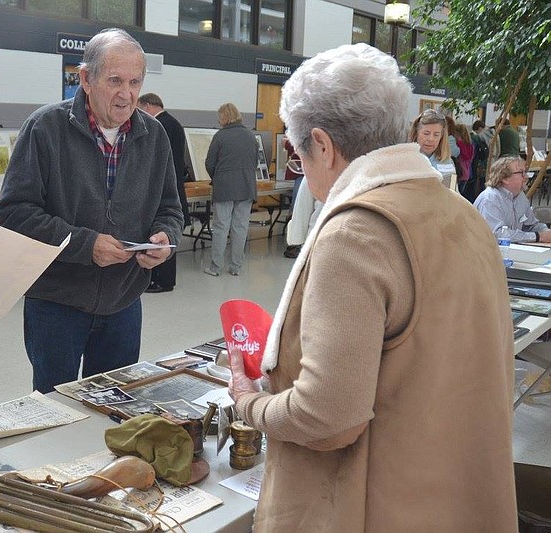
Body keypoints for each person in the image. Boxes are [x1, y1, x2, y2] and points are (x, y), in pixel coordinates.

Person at [228, 43, 517, 532]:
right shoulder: (460, 213)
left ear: (322, 144)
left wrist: (248, 401)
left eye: (300, 153)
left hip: (378, 506)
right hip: (456, 497)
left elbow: (330, 418)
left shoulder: (355, 234)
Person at [0, 28, 184, 394]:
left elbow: (170, 209)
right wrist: (86, 245)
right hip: (57, 303)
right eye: (115, 80)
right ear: (85, 78)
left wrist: (165, 237)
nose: (127, 94)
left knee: (116, 406)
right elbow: (16, 212)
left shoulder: (155, 136)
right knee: (54, 411)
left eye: (134, 81)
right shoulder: (45, 129)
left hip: (124, 303)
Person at [137, 92, 189, 293]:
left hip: (164, 184)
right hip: (175, 182)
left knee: (163, 237)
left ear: (149, 106)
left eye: (141, 109)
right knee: (166, 235)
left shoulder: (160, 126)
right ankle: (163, 279)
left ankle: (163, 280)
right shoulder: (174, 123)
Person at [203, 102, 257, 276]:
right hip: (247, 186)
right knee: (240, 227)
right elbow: (255, 163)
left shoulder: (220, 136)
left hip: (224, 188)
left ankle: (215, 267)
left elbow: (209, 163)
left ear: (224, 117)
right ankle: (235, 267)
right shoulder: (250, 136)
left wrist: (218, 177)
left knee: (221, 227)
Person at [474, 156, 551, 243]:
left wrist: (546, 232)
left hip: (512, 251)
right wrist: (538, 236)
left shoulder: (520, 196)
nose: (526, 177)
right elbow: (497, 235)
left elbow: (530, 225)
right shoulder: (489, 199)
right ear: (504, 178)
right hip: (488, 253)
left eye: (525, 172)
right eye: (521, 173)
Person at [408, 109, 456, 187]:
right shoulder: (405, 158)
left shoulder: (448, 162)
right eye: (426, 133)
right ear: (416, 132)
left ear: (442, 136)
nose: (431, 139)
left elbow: (453, 190)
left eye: (436, 135)